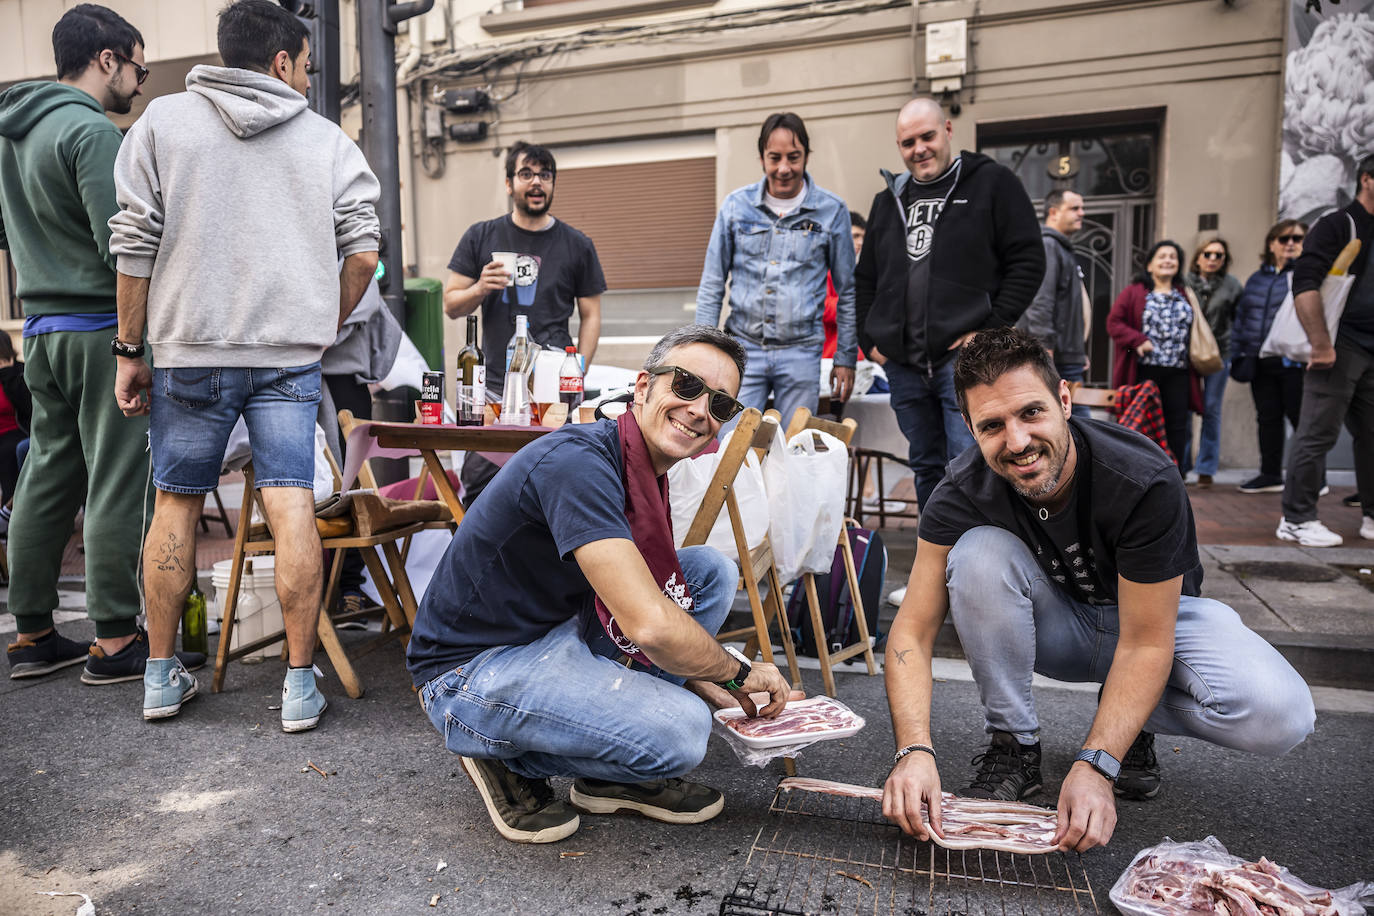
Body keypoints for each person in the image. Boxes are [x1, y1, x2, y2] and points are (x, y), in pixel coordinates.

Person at [881, 327, 1314, 853]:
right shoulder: (961, 489)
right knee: (977, 554)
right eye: (992, 425)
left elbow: (1147, 642)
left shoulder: (1142, 476)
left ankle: (1125, 732)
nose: (1017, 442)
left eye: (1031, 413)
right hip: (1065, 631)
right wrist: (913, 750)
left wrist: (1096, 764)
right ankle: (1015, 746)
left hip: (1157, 629)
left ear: (1065, 401)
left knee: (1281, 715)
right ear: (971, 429)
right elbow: (913, 628)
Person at [408, 325, 792, 845]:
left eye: (720, 403)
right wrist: (734, 674)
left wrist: (715, 682)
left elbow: (646, 600)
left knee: (707, 571)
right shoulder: (580, 463)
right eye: (686, 385)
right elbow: (649, 623)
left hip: (555, 628)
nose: (701, 409)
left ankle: (609, 772)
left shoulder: (639, 464)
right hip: (473, 669)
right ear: (642, 387)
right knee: (680, 733)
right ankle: (497, 752)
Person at [108, 0, 381, 727]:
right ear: (284, 61)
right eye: (306, 67)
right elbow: (363, 250)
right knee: (290, 502)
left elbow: (133, 247)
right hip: (289, 356)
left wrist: (130, 351)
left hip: (188, 351)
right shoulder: (326, 139)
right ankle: (297, 687)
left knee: (176, 504)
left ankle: (161, 677)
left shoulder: (161, 123)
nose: (306, 80)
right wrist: (323, 323)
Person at [0, 4, 187, 682]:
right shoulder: (91, 134)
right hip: (100, 330)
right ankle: (113, 638)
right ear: (106, 58)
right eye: (137, 67)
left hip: (41, 333)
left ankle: (32, 634)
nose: (139, 83)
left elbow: (4, 235)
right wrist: (134, 345)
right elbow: (124, 247)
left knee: (46, 475)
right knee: (117, 476)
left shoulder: (10, 135)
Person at [854, 97, 1043, 513]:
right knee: (924, 465)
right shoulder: (888, 199)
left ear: (948, 131)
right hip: (903, 366)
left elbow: (1029, 261)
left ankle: (975, 560)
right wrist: (872, 341)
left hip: (963, 362)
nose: (919, 149)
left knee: (972, 463)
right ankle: (935, 557)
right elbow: (865, 278)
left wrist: (989, 329)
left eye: (927, 136)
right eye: (908, 142)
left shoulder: (991, 183)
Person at [443, 141, 606, 502]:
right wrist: (481, 287)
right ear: (508, 184)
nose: (536, 183)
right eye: (526, 174)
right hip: (495, 388)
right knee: (480, 486)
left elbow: (591, 315)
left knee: (555, 482)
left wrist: (577, 371)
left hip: (552, 390)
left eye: (545, 175)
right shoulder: (481, 236)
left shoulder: (577, 244)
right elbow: (452, 304)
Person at [696, 112, 857, 424]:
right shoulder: (734, 207)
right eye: (775, 158)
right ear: (762, 159)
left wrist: (845, 357)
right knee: (732, 446)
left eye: (794, 157)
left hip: (801, 353)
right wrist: (703, 349)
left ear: (806, 156)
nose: (784, 168)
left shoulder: (832, 211)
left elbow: (848, 292)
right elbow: (712, 284)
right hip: (742, 351)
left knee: (793, 450)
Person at [1278, 155, 1374, 547]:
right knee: (1317, 432)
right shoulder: (1338, 224)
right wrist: (1320, 344)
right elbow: (1304, 283)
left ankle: (1371, 515)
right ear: (1367, 179)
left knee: (1372, 434)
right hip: (1338, 345)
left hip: (1371, 349)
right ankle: (1296, 518)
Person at [1106, 239, 1202, 467]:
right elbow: (1114, 323)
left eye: (1173, 257)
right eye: (1162, 256)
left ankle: (1176, 474)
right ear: (1149, 265)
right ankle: (1143, 470)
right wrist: (1137, 340)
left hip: (1179, 370)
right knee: (1142, 422)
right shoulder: (1134, 292)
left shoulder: (1185, 293)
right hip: (1145, 370)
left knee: (1178, 424)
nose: (1168, 260)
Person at [1229, 221, 1307, 495]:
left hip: (1295, 362)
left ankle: (1313, 479)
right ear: (1271, 243)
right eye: (1284, 238)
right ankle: (1271, 474)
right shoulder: (1256, 279)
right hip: (1259, 361)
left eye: (1297, 238)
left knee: (1304, 421)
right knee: (1268, 419)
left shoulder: (1307, 276)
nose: (1290, 243)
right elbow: (1242, 318)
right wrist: (1237, 352)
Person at [1017, 189, 1090, 418]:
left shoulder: (1062, 248)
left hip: (1068, 354)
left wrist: (1079, 351)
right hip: (1055, 356)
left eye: (1082, 208)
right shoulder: (1049, 246)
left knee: (1076, 425)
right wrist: (1044, 348)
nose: (1082, 213)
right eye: (1074, 208)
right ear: (1053, 212)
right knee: (1076, 424)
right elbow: (1041, 300)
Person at [1183, 237, 1243, 486]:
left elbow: (1239, 321)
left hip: (1220, 354)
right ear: (1198, 258)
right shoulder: (1184, 282)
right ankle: (1181, 466)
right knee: (1185, 409)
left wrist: (1235, 349)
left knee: (1211, 409)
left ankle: (1206, 469)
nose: (1212, 259)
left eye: (1218, 255)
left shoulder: (1232, 286)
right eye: (1207, 254)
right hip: (1187, 354)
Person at [822, 211, 867, 360]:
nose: (860, 242)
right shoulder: (821, 268)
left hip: (861, 360)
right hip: (828, 358)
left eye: (862, 237)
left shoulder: (861, 272)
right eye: (855, 236)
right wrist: (859, 305)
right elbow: (819, 305)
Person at [0, 333, 31, 522]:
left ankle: (11, 515)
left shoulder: (19, 372)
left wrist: (7, 373)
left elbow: (28, 407)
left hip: (18, 432)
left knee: (10, 451)